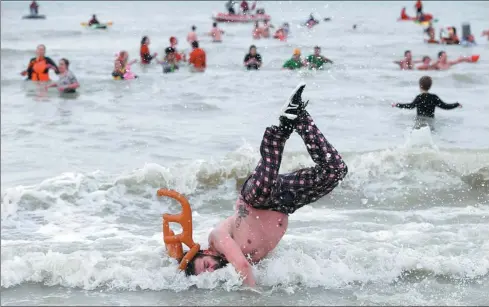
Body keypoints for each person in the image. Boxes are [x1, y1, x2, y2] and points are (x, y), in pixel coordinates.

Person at [180, 83, 348, 285]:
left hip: (254, 199)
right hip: (285, 202)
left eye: (207, 265)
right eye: (208, 274)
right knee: (335, 170)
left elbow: (243, 266)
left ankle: (282, 127)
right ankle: (300, 117)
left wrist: (253, 299)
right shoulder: (235, 269)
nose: (213, 270)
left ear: (206, 252)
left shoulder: (217, 237)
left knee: (266, 178)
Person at [392, 76, 461, 130]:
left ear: (420, 85)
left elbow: (410, 106)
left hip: (420, 121)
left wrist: (397, 104)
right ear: (430, 86)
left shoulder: (419, 97)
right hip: (430, 121)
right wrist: (456, 104)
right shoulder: (434, 97)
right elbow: (445, 106)